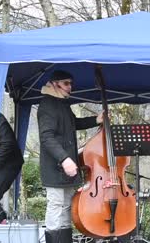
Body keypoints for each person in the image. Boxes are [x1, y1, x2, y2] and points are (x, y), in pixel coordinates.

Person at [37, 70, 103, 243]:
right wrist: (64, 159)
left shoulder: (62, 103)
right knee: (57, 206)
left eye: (70, 83)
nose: (70, 87)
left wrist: (96, 119)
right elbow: (46, 137)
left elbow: (74, 124)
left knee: (66, 207)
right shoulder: (47, 105)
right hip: (56, 167)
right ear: (54, 83)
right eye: (66, 83)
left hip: (67, 167)